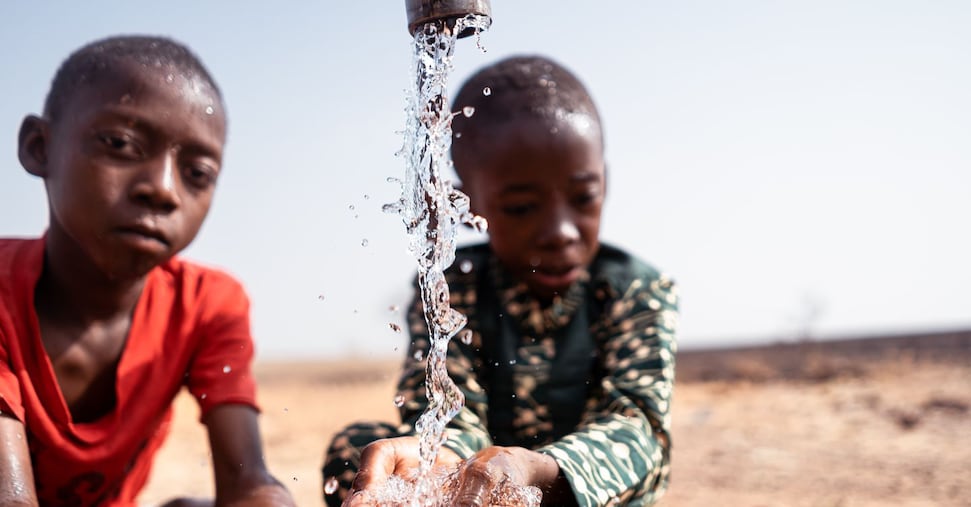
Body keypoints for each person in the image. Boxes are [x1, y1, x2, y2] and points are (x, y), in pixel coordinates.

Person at [323, 55, 679, 506]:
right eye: (521, 207)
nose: (561, 232)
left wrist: (536, 472)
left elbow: (639, 432)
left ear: (604, 182)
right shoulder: (454, 286)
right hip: (478, 491)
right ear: (467, 208)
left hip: (577, 493)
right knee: (361, 454)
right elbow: (446, 414)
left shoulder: (635, 290)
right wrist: (443, 462)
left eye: (583, 197)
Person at [0, 35, 295, 506]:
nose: (162, 190)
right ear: (39, 148)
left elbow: (248, 482)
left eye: (197, 172)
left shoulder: (205, 303)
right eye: (120, 144)